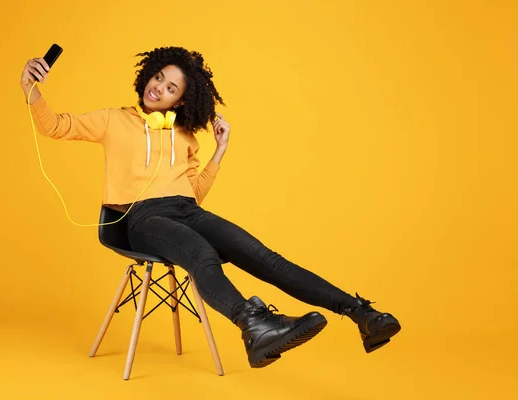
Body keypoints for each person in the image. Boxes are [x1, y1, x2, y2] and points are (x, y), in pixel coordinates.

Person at [20, 46, 401, 368]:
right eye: (158, 78)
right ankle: (255, 325)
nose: (159, 88)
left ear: (180, 100)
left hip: (187, 211)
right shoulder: (113, 120)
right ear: (147, 77)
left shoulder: (184, 135)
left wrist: (218, 152)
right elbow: (54, 126)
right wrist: (31, 88)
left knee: (264, 257)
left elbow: (194, 195)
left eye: (171, 87)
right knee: (202, 255)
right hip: (141, 217)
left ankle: (360, 314)